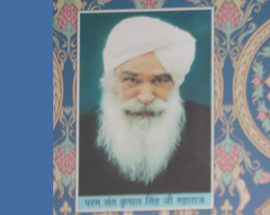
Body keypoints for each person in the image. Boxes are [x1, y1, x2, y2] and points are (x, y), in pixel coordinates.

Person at [79, 15, 212, 196]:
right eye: (131, 80)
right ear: (110, 83)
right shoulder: (78, 136)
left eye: (160, 80)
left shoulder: (209, 127)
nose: (146, 97)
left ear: (175, 84)